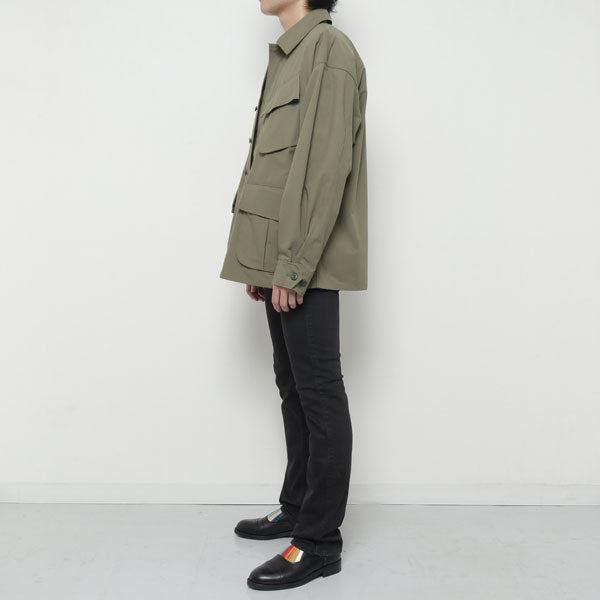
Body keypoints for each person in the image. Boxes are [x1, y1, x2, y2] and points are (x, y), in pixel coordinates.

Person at [219, 0, 368, 591]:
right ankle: (298, 507)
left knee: (319, 391)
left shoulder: (330, 52)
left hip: (309, 263)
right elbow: (273, 170)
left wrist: (295, 265)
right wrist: (263, 261)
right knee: (293, 386)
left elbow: (323, 171)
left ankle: (319, 541)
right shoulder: (290, 54)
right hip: (282, 260)